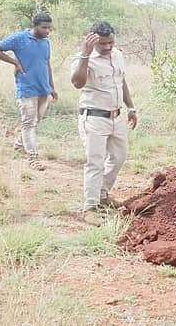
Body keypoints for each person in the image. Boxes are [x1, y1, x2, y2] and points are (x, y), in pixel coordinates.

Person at [70, 22, 137, 221]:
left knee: (119, 156)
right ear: (93, 41)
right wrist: (85, 53)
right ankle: (90, 207)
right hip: (93, 118)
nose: (108, 47)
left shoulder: (117, 55)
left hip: (116, 117)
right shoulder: (84, 58)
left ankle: (102, 194)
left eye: (111, 42)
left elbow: (121, 81)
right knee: (95, 162)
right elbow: (77, 83)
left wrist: (131, 107)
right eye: (103, 44)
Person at [0, 12, 58, 171]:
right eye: (44, 27)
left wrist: (52, 87)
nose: (47, 31)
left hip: (43, 88)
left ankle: (18, 145)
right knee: (29, 123)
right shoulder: (19, 38)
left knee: (34, 121)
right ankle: (33, 158)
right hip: (26, 88)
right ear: (34, 26)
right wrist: (15, 63)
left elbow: (47, 64)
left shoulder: (46, 42)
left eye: (49, 28)